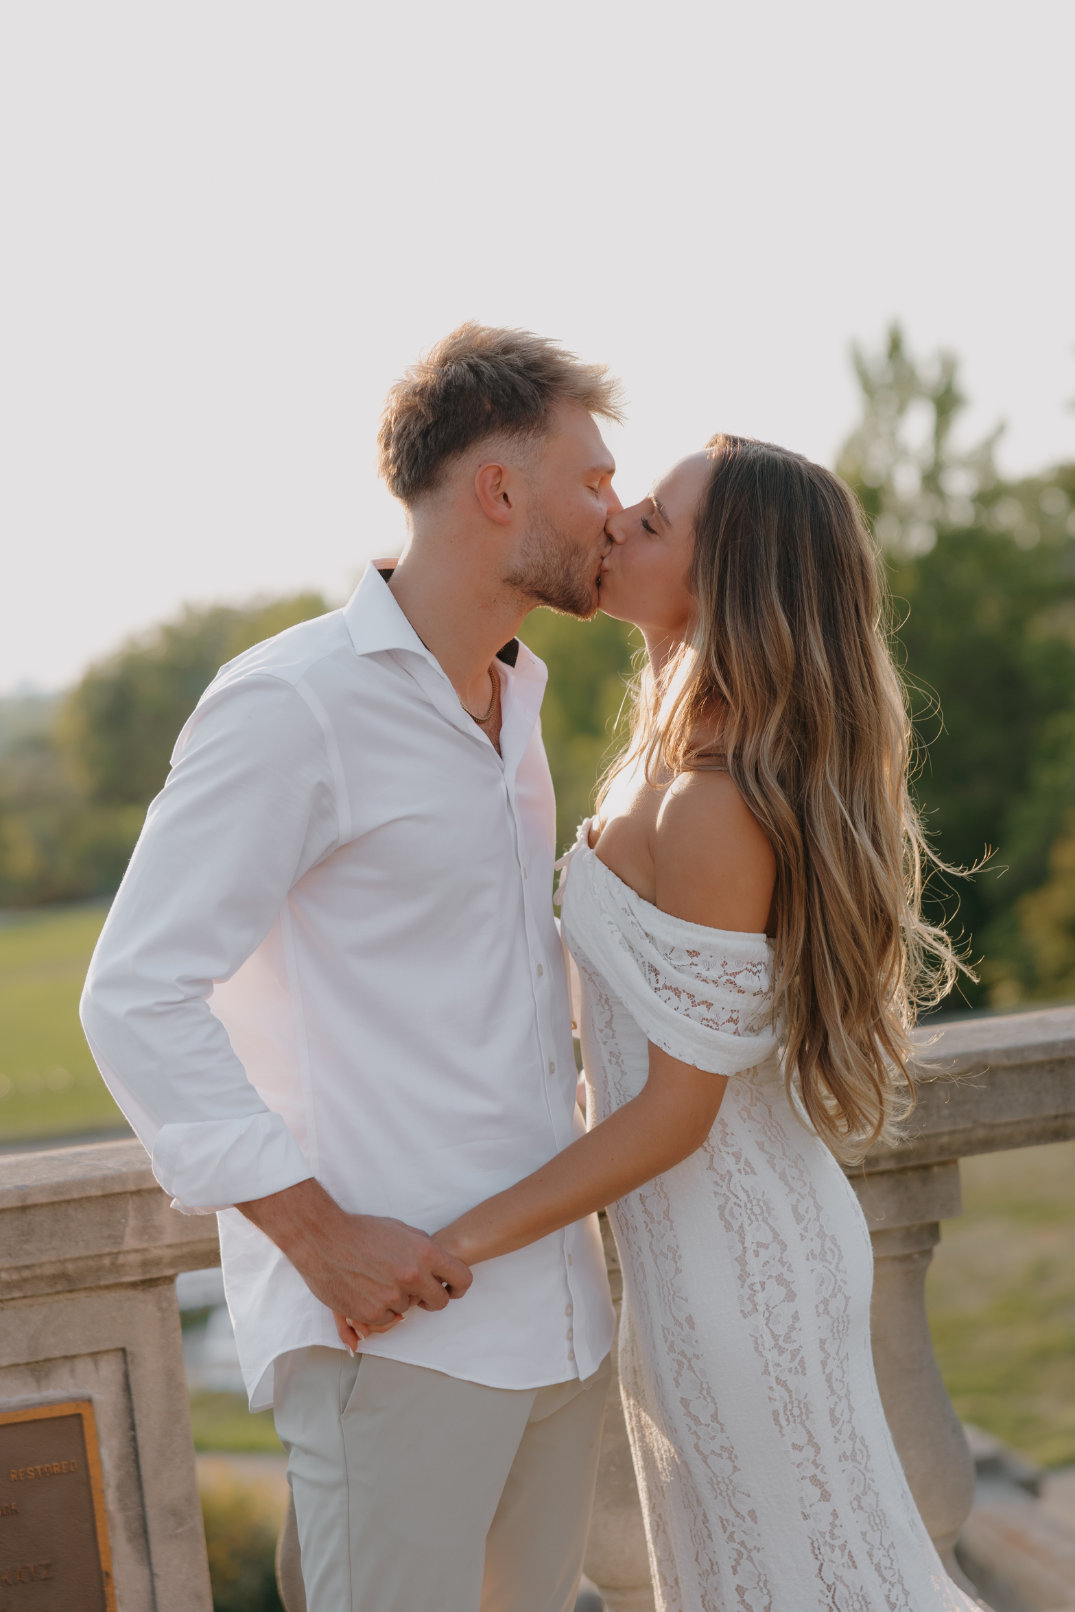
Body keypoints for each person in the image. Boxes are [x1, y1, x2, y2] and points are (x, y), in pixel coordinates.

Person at [79, 323, 625, 1612]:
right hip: (396, 1337)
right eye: (592, 478)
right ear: (499, 489)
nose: (619, 507)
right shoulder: (294, 702)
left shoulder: (515, 701)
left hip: (552, 1317)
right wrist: (314, 1234)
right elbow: (135, 990)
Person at [395, 435, 983, 1610]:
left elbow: (674, 1110)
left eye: (653, 522)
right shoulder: (660, 760)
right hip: (684, 1264)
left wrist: (455, 1242)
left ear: (730, 584)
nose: (615, 525)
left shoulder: (711, 803)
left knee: (819, 1579)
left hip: (742, 1271)